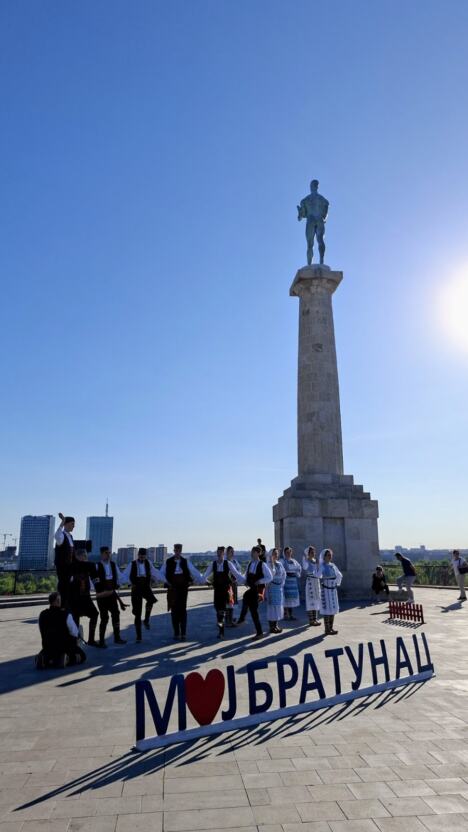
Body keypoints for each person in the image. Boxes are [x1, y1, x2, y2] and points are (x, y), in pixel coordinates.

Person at [159, 544, 202, 640]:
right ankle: (176, 633)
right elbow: (161, 573)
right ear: (174, 550)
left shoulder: (185, 561)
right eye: (176, 550)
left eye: (179, 550)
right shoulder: (168, 561)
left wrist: (202, 579)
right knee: (174, 610)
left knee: (182, 610)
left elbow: (194, 572)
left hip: (183, 588)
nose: (177, 552)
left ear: (181, 551)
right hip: (172, 588)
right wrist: (166, 582)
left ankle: (183, 633)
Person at [120, 548, 164, 642]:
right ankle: (138, 636)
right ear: (138, 555)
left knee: (151, 600)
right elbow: (124, 575)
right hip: (136, 588)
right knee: (138, 614)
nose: (142, 557)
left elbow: (155, 572)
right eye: (140, 555)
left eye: (143, 555)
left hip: (146, 587)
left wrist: (165, 580)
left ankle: (146, 620)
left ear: (145, 556)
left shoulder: (148, 563)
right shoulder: (132, 564)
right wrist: (125, 582)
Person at [36, 591, 86, 669]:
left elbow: (41, 630)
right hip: (65, 646)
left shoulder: (42, 614)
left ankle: (45, 660)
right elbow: (75, 632)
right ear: (58, 601)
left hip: (48, 646)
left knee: (47, 654)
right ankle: (66, 659)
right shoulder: (66, 614)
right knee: (82, 656)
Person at [234, 546, 273, 639]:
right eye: (251, 552)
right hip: (252, 589)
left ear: (257, 553)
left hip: (258, 590)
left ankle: (243, 620)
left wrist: (259, 581)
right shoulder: (250, 564)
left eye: (253, 552)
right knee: (251, 606)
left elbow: (270, 577)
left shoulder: (262, 564)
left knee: (251, 607)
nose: (251, 554)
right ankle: (257, 631)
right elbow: (245, 576)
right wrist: (242, 581)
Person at [94, 546, 127, 647]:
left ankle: (117, 638)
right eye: (106, 553)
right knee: (104, 618)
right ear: (102, 554)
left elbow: (120, 577)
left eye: (109, 553)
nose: (108, 555)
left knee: (116, 614)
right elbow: (94, 581)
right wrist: (101, 591)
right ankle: (102, 641)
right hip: (102, 596)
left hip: (112, 595)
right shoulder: (97, 566)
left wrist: (122, 583)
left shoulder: (113, 565)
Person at [203, 546, 237, 638]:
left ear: (223, 553)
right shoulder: (213, 564)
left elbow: (236, 574)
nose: (219, 554)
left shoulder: (228, 563)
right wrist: (203, 580)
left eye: (221, 553)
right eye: (218, 553)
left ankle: (221, 632)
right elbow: (205, 575)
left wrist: (244, 580)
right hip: (217, 591)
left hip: (225, 591)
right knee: (218, 611)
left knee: (221, 611)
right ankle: (222, 628)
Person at [69, 549, 100, 646]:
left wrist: (99, 588)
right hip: (76, 598)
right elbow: (95, 579)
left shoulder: (89, 565)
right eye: (84, 556)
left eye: (86, 555)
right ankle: (76, 642)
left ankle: (89, 640)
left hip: (84, 597)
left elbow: (95, 578)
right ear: (78, 556)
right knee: (75, 619)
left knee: (94, 614)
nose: (85, 557)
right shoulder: (74, 566)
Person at [297, 179, 329, 265]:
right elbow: (325, 214)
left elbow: (300, 217)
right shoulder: (323, 200)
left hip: (311, 220)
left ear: (311, 187)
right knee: (320, 240)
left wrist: (299, 213)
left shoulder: (305, 200)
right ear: (317, 187)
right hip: (319, 220)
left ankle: (309, 264)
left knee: (310, 244)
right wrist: (323, 218)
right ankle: (321, 261)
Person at [319, 549, 343, 635]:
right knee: (327, 610)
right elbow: (318, 575)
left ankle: (331, 628)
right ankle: (327, 629)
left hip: (333, 590)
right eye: (328, 555)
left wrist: (336, 582)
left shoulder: (333, 565)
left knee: (333, 609)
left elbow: (339, 574)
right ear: (324, 556)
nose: (330, 556)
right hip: (326, 590)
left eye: (330, 555)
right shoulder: (322, 565)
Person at [54, 513, 75, 608]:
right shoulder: (62, 535)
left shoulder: (70, 536)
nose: (73, 526)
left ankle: (67, 607)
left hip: (70, 567)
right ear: (66, 524)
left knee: (69, 589)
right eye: (72, 524)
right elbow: (57, 536)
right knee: (63, 588)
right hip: (62, 567)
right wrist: (62, 521)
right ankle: (61, 607)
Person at [265, 549, 286, 634]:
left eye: (276, 554)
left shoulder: (280, 564)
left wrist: (282, 583)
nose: (275, 555)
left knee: (278, 606)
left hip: (278, 588)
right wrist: (272, 564)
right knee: (272, 607)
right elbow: (269, 576)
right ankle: (271, 627)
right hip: (271, 587)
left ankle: (276, 625)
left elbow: (284, 573)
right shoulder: (268, 564)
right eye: (274, 554)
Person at [280, 547, 302, 620]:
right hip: (286, 581)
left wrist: (296, 572)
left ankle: (291, 614)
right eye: (287, 552)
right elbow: (280, 570)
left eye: (289, 552)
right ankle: (285, 614)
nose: (288, 553)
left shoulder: (294, 561)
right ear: (284, 553)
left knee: (291, 598)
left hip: (293, 581)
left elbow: (299, 568)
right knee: (286, 597)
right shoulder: (282, 561)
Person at [302, 546, 321, 626]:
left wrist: (318, 564)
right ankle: (311, 620)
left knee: (316, 599)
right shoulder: (306, 561)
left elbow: (319, 571)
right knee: (311, 600)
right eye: (311, 552)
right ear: (308, 553)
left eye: (314, 552)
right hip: (310, 581)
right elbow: (305, 567)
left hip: (316, 581)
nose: (313, 553)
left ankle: (315, 619)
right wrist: (306, 558)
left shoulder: (315, 561)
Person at [226, 545, 240, 626]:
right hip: (228, 584)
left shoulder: (234, 561)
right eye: (231, 551)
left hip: (234, 583)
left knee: (232, 601)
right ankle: (228, 620)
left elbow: (239, 570)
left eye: (233, 551)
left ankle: (230, 617)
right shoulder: (225, 562)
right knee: (228, 601)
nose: (233, 553)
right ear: (227, 552)